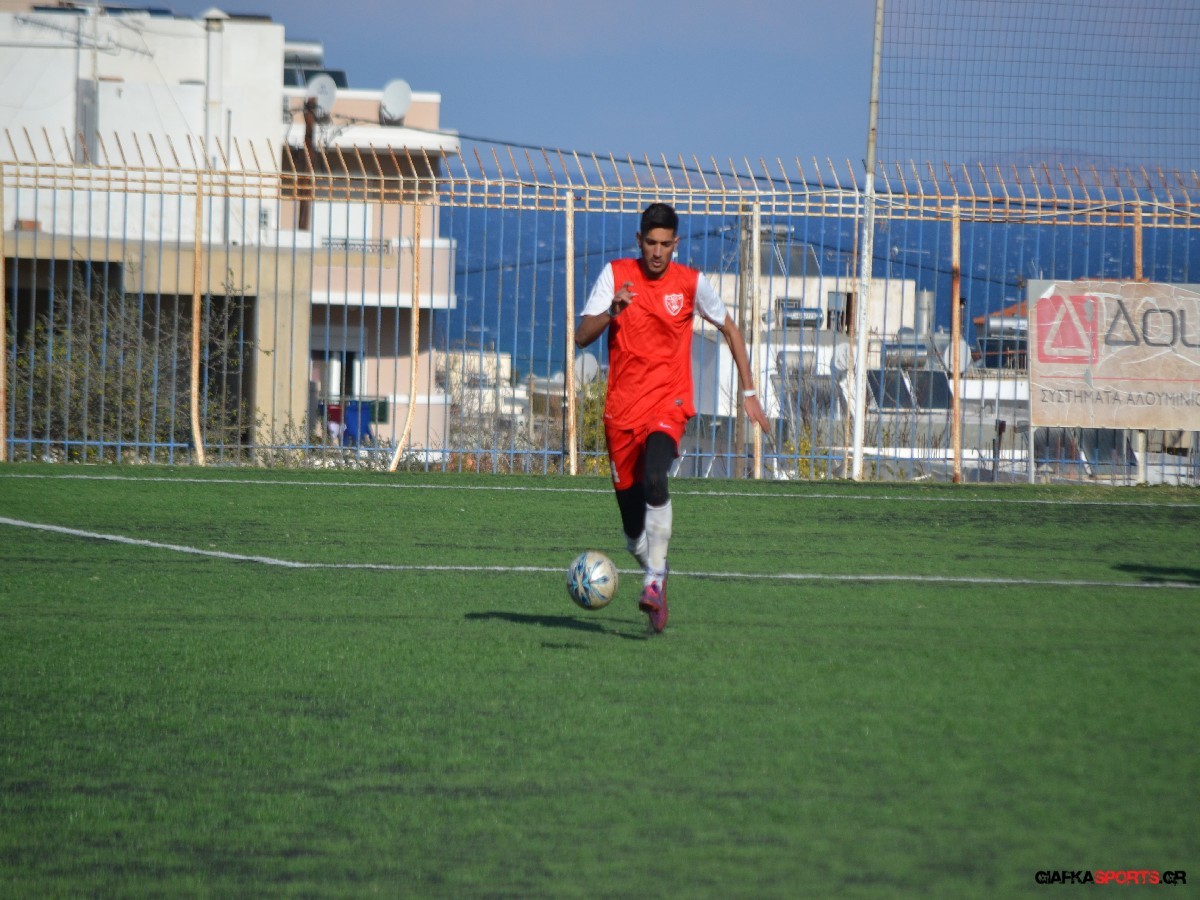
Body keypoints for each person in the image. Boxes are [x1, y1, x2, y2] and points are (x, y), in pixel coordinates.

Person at [575, 202, 770, 634]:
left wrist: (749, 392)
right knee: (632, 532)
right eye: (651, 243)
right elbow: (581, 336)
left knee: (656, 477)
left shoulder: (691, 283)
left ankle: (654, 581)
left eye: (665, 244)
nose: (658, 252)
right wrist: (612, 312)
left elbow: (730, 328)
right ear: (639, 241)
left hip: (669, 404)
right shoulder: (616, 275)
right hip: (622, 413)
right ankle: (656, 571)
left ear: (675, 243)